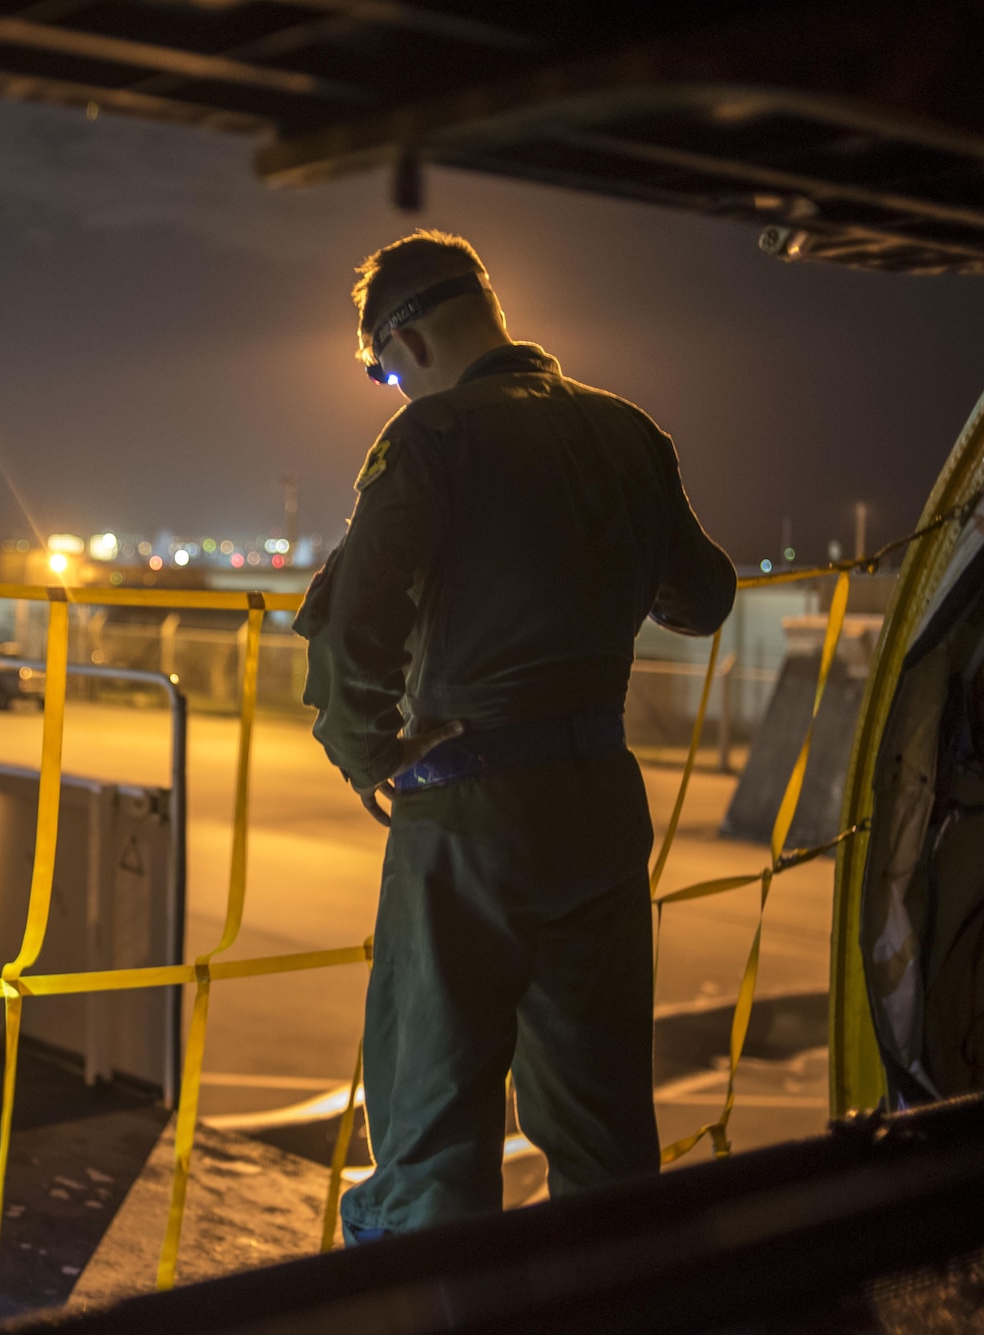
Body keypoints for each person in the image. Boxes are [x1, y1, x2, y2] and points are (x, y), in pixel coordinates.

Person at [297, 230, 735, 1241]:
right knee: (601, 1124)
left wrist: (368, 754)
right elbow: (702, 599)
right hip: (599, 799)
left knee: (430, 1129)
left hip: (468, 811)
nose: (387, 386)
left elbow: (357, 625)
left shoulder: (434, 437)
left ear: (403, 336)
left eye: (378, 368)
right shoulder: (626, 431)